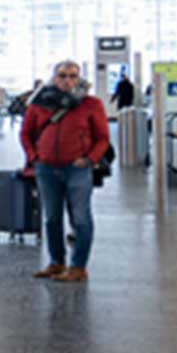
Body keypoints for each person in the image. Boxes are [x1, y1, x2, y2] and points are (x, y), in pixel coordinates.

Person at [23, 59, 112, 284]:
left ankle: (78, 266)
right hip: (46, 168)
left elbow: (102, 138)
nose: (67, 81)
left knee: (81, 218)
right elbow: (26, 133)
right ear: (54, 78)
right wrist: (34, 158)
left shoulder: (91, 104)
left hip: (77, 168)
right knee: (52, 218)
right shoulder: (39, 103)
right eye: (62, 75)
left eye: (73, 76)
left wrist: (90, 159)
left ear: (79, 79)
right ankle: (56, 262)